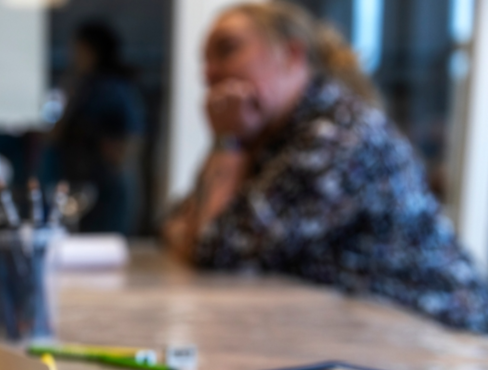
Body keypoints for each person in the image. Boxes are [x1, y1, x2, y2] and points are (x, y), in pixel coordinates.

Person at [163, 2, 488, 332]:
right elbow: (175, 221)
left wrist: (227, 142)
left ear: (291, 55)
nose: (209, 74)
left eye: (226, 50)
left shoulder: (337, 136)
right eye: (204, 60)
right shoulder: (282, 137)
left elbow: (213, 251)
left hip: (441, 338)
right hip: (367, 333)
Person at [50, 21, 144, 235]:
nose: (72, 56)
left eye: (76, 49)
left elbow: (132, 140)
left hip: (107, 186)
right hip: (85, 186)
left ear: (91, 50)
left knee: (105, 244)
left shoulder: (114, 88)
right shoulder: (84, 86)